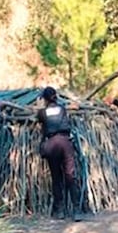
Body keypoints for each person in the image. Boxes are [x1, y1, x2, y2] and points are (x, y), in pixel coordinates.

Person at [36, 86, 82, 221]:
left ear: (44, 99)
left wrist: (39, 106)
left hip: (51, 144)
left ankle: (60, 210)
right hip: (65, 142)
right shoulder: (62, 109)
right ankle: (76, 210)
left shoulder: (43, 112)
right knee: (70, 176)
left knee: (56, 177)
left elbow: (39, 118)